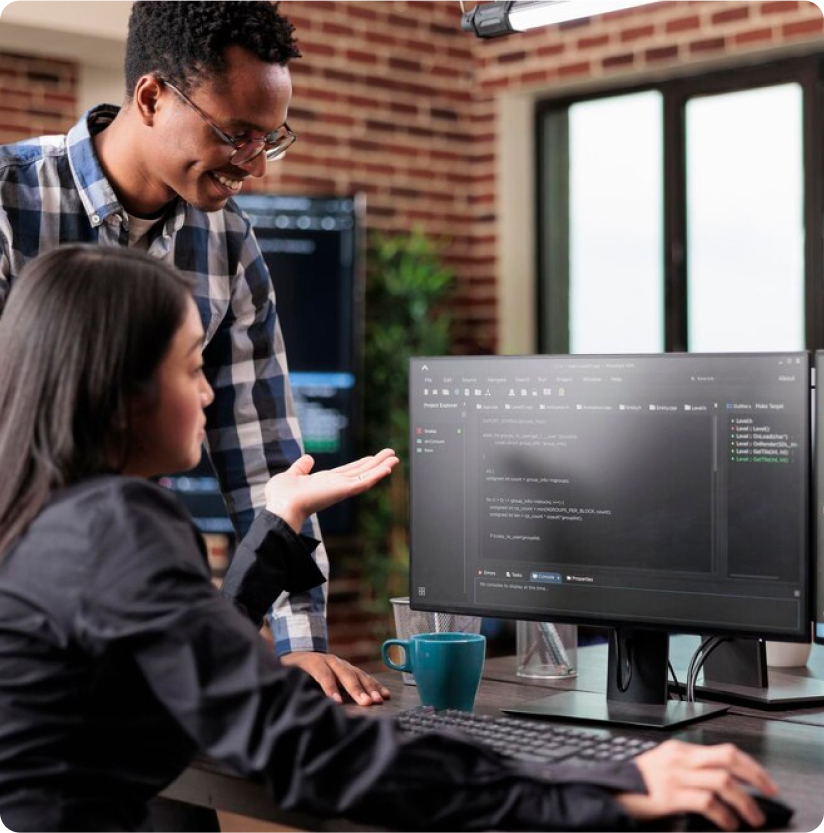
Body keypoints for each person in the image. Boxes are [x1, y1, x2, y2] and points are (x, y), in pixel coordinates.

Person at [0, 245, 783, 832]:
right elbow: (304, 746)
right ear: (120, 391)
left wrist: (277, 525)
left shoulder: (46, 519)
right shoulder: (116, 524)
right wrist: (604, 789)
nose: (208, 391)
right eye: (188, 367)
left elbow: (167, 671)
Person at [0, 0, 389, 708]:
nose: (255, 167)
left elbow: (265, 454)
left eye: (270, 140)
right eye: (237, 134)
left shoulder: (229, 244)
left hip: (140, 616)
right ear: (150, 97)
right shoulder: (8, 201)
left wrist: (300, 639)